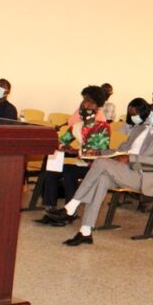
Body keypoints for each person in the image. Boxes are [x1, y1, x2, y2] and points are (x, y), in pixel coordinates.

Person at [44, 100, 153, 245]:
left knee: (101, 163)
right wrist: (89, 152)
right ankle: (85, 231)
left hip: (143, 175)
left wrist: (130, 157)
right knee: (101, 179)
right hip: (125, 170)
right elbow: (119, 150)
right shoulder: (140, 129)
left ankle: (71, 206)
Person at [37, 86, 113, 218]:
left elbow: (100, 152)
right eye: (83, 101)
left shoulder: (102, 127)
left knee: (68, 172)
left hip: (95, 166)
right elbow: (61, 141)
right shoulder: (77, 126)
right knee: (53, 168)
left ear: (96, 106)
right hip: (80, 162)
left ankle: (69, 211)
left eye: (88, 101)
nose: (83, 104)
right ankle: (50, 206)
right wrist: (63, 146)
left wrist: (76, 152)